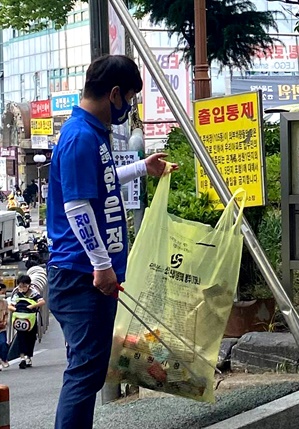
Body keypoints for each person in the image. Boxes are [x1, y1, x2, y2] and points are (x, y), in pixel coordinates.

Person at [46, 54, 178, 429]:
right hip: (80, 276)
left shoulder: (89, 133)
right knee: (86, 371)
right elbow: (76, 205)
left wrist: (142, 167)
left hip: (86, 275)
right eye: (131, 99)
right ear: (115, 94)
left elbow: (99, 181)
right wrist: (101, 265)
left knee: (88, 368)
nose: (129, 108)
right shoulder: (80, 136)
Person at [7, 275, 45, 369]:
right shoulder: (16, 293)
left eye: (24, 286)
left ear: (29, 285)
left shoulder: (33, 292)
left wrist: (32, 306)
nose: (22, 288)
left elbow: (42, 301)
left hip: (31, 318)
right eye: (20, 286)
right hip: (20, 319)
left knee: (31, 338)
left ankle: (28, 356)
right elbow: (10, 306)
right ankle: (22, 357)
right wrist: (16, 309)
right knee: (21, 338)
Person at [0, 283, 9, 369]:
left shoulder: (5, 303)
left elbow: (6, 314)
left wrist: (5, 322)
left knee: (3, 343)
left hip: (2, 327)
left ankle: (4, 358)